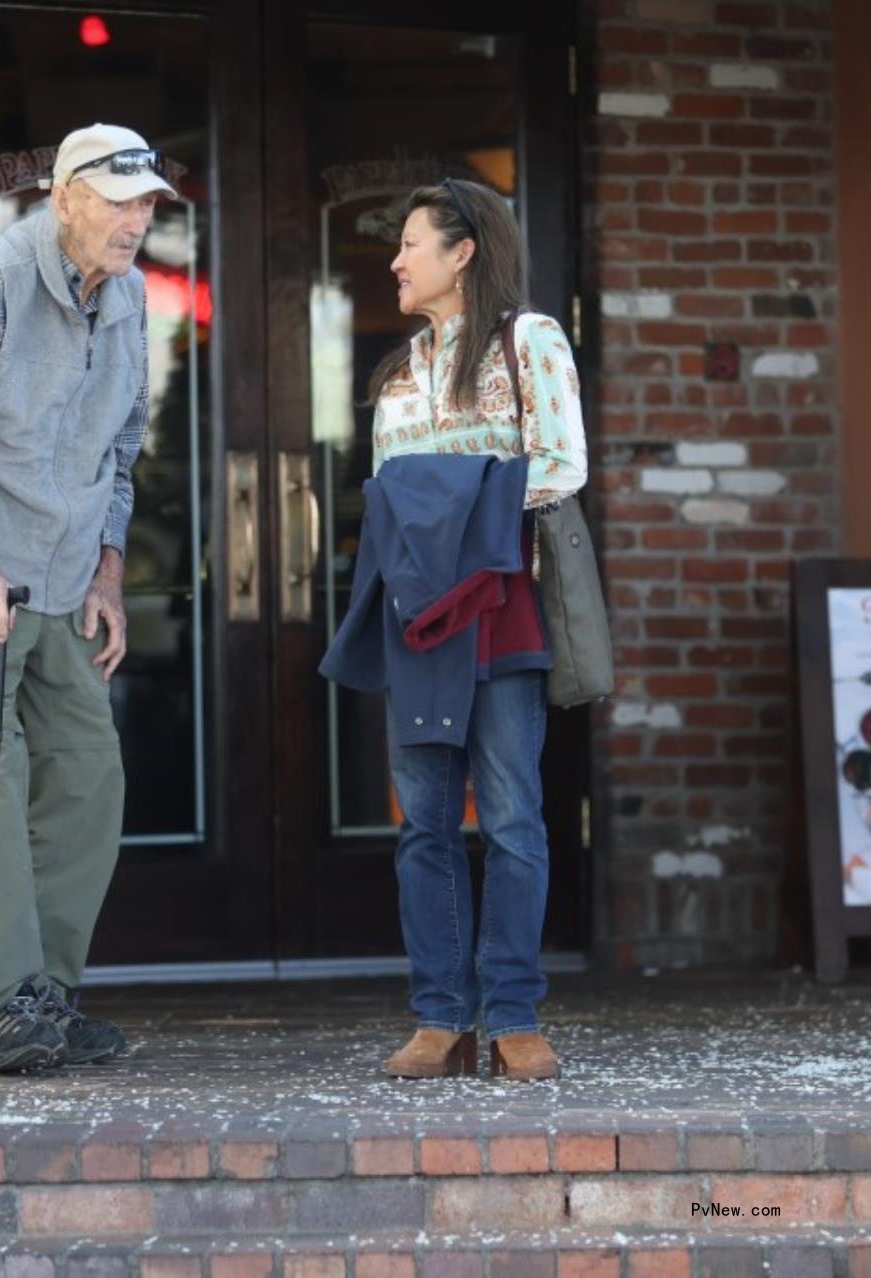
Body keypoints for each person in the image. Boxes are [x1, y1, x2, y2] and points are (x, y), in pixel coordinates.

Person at [0, 123, 174, 1074]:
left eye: (146, 204)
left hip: (60, 580)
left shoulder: (131, 296)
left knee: (90, 778)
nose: (136, 221)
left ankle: (46, 996)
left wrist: (107, 569)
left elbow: (121, 449)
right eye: (119, 200)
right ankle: (8, 1006)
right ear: (64, 197)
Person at [336, 178, 587, 1080]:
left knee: (514, 815)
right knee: (425, 824)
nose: (396, 261)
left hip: (501, 605)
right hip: (418, 618)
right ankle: (440, 1018)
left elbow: (561, 466)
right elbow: (385, 500)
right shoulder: (396, 372)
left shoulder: (530, 342)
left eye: (412, 244)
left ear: (463, 252)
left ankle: (514, 1013)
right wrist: (465, 494)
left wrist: (449, 503)